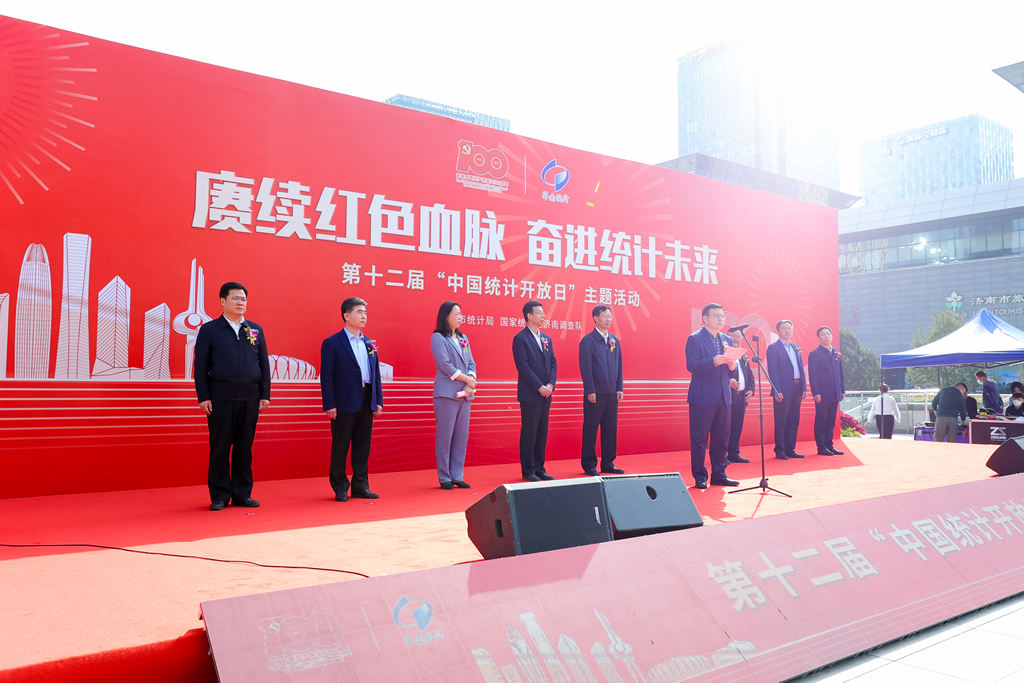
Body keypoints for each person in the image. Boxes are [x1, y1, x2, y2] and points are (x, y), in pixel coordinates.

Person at [193, 282, 271, 511]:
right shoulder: (210, 330)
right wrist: (203, 397)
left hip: (250, 398)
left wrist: (264, 394)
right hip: (220, 398)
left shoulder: (254, 329)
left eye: (243, 299)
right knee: (220, 448)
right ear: (222, 301)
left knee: (244, 448)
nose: (240, 302)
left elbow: (263, 364)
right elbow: (200, 367)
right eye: (235, 298)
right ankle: (219, 495)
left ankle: (242, 494)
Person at [320, 297, 384, 502]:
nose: (364, 316)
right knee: (340, 446)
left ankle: (360, 485)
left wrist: (378, 400)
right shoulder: (332, 343)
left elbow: (375, 374)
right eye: (359, 312)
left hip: (366, 399)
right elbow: (326, 376)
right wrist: (330, 404)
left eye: (365, 312)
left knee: (362, 446)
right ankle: (340, 486)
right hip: (343, 402)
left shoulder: (369, 343)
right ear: (346, 315)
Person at [685, 303, 739, 488]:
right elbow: (691, 365)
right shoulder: (695, 338)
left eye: (722, 315)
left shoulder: (727, 339)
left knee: (722, 438)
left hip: (724, 396)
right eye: (717, 315)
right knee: (699, 439)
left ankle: (719, 474)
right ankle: (700, 476)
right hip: (702, 396)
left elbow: (730, 371)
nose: (721, 318)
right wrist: (712, 361)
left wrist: (732, 367)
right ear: (705, 318)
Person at [430, 301, 477, 490]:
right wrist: (468, 380)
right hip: (446, 394)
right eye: (456, 314)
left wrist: (470, 381)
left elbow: (471, 363)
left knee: (461, 436)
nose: (460, 317)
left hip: (465, 394)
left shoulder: (463, 338)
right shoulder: (438, 337)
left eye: (461, 313)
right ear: (446, 316)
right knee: (445, 436)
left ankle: (457, 475)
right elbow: (445, 364)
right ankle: (445, 477)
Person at [512, 301, 557, 482]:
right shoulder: (520, 338)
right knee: (530, 432)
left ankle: (540, 468)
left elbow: (553, 363)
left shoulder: (546, 339)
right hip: (531, 394)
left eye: (543, 313)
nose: (543, 316)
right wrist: (540, 386)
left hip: (546, 394)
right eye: (539, 313)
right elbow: (523, 367)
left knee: (541, 432)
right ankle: (528, 470)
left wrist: (550, 385)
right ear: (529, 316)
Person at [579, 305, 625, 476]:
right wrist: (590, 389)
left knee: (610, 428)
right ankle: (589, 464)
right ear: (595, 318)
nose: (608, 319)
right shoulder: (588, 341)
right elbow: (586, 367)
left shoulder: (614, 340)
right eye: (604, 316)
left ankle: (608, 463)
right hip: (595, 393)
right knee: (591, 428)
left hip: (612, 392)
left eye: (610, 316)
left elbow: (619, 365)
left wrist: (619, 387)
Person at [766, 320, 807, 459]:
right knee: (781, 420)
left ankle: (790, 449)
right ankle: (780, 450)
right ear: (778, 331)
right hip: (783, 389)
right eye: (784, 328)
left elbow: (800, 368)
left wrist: (803, 386)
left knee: (793, 419)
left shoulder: (796, 347)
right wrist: (777, 389)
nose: (787, 331)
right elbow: (773, 371)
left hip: (797, 387)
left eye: (790, 328)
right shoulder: (774, 348)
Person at [807, 326, 846, 456]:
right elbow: (812, 375)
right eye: (823, 334)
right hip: (822, 393)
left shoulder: (836, 353)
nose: (826, 336)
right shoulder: (815, 354)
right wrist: (816, 392)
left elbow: (840, 373)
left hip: (835, 392)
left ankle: (830, 445)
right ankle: (821, 447)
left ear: (832, 336)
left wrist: (842, 389)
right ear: (818, 338)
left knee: (831, 421)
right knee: (821, 420)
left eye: (828, 334)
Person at [726, 328, 755, 464]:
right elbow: (718, 373)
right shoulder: (724, 354)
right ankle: (721, 455)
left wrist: (751, 389)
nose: (736, 339)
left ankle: (734, 453)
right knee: (724, 427)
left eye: (739, 336)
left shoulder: (742, 355)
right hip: (728, 396)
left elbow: (749, 374)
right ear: (727, 338)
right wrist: (728, 382)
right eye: (733, 336)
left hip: (741, 397)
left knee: (737, 426)